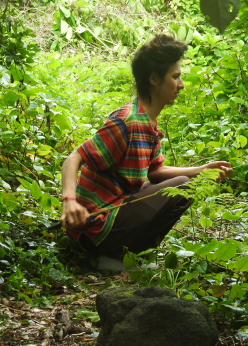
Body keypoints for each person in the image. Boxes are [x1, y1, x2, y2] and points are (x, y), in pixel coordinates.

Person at [60, 34, 232, 269]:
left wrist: (202, 170)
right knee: (183, 185)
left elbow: (155, 171)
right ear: (153, 78)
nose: (180, 84)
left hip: (114, 214)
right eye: (175, 77)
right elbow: (73, 159)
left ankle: (127, 257)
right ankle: (113, 259)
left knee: (184, 182)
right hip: (95, 229)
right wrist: (69, 201)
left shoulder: (147, 122)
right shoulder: (128, 121)